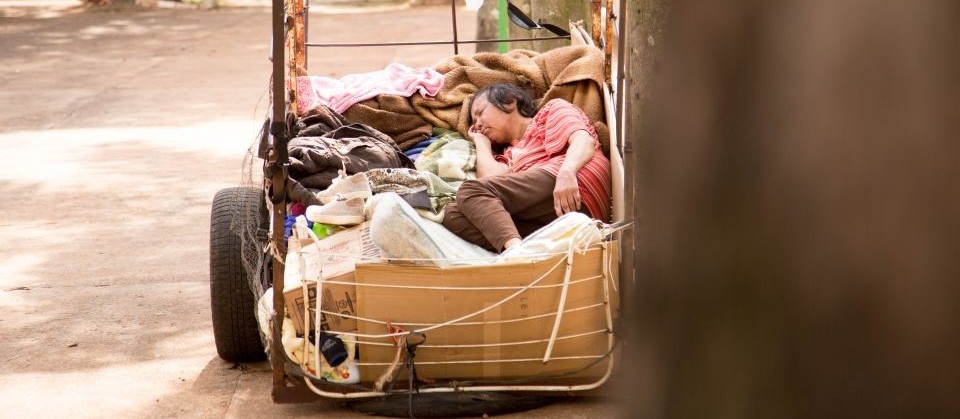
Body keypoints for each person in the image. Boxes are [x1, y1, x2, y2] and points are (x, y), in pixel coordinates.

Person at [442, 83, 612, 252]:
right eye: (474, 121)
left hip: (577, 181)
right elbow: (488, 187)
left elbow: (584, 140)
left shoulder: (551, 110)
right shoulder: (507, 155)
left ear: (510, 101)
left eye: (480, 113)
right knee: (451, 215)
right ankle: (524, 248)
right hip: (554, 215)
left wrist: (567, 172)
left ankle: (516, 252)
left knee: (468, 190)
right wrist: (481, 142)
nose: (477, 124)